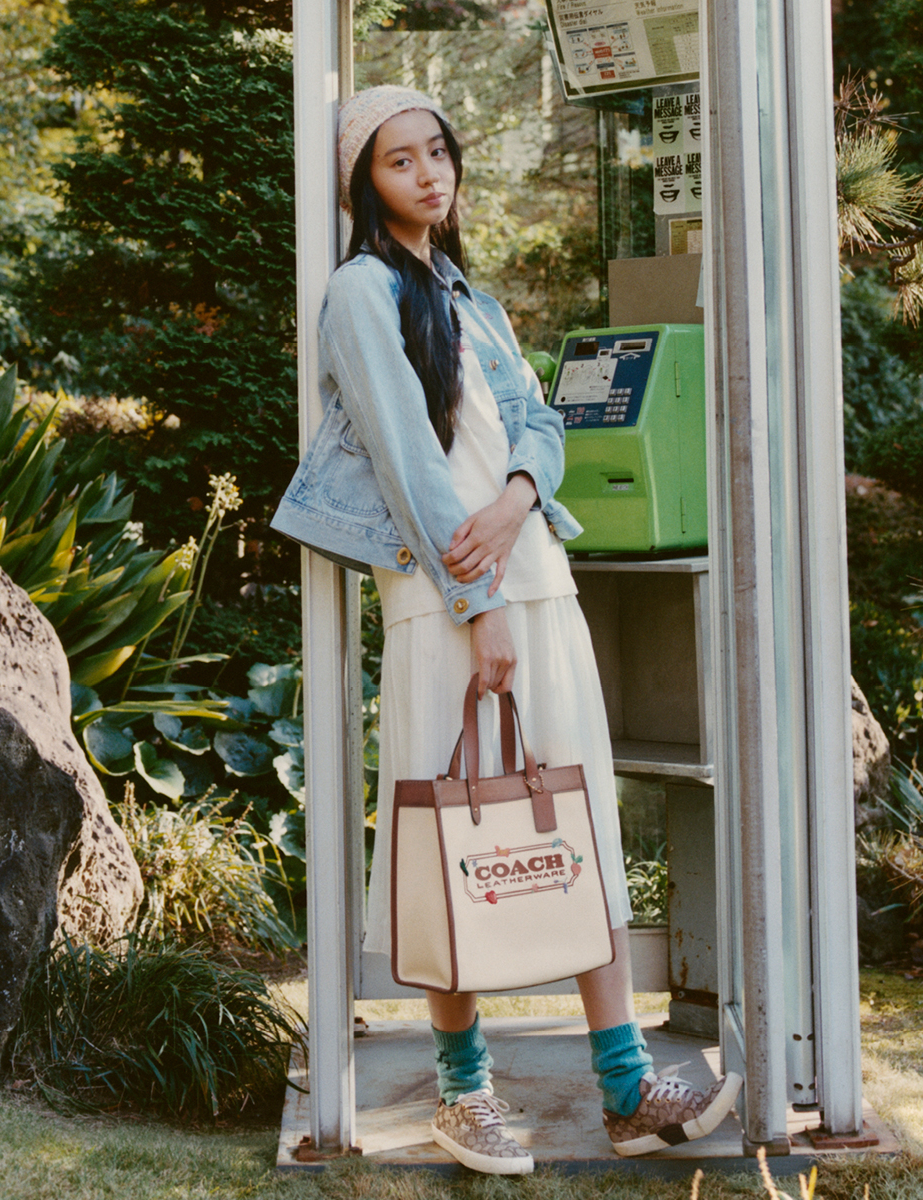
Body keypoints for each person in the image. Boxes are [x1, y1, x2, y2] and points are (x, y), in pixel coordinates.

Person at [272, 84, 742, 1175]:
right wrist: (478, 603)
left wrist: (521, 496)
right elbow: (404, 458)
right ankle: (462, 1090)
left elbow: (536, 416)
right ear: (364, 182)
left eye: (439, 152)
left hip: (541, 582)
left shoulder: (466, 293)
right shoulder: (358, 294)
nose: (429, 174)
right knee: (454, 837)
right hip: (450, 606)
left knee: (569, 826)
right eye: (401, 161)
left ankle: (627, 1088)